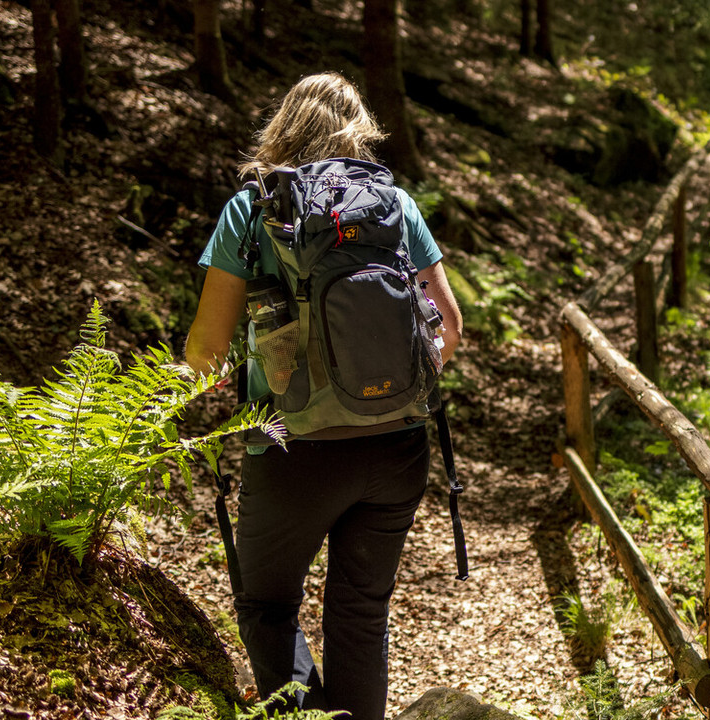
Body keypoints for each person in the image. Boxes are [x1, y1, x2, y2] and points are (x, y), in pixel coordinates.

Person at [185, 72, 463, 720]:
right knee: (362, 612)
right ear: (358, 132)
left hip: (293, 451)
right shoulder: (395, 206)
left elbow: (204, 355)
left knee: (267, 605)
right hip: (397, 446)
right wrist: (383, 386)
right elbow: (449, 328)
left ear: (283, 128)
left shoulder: (250, 210)